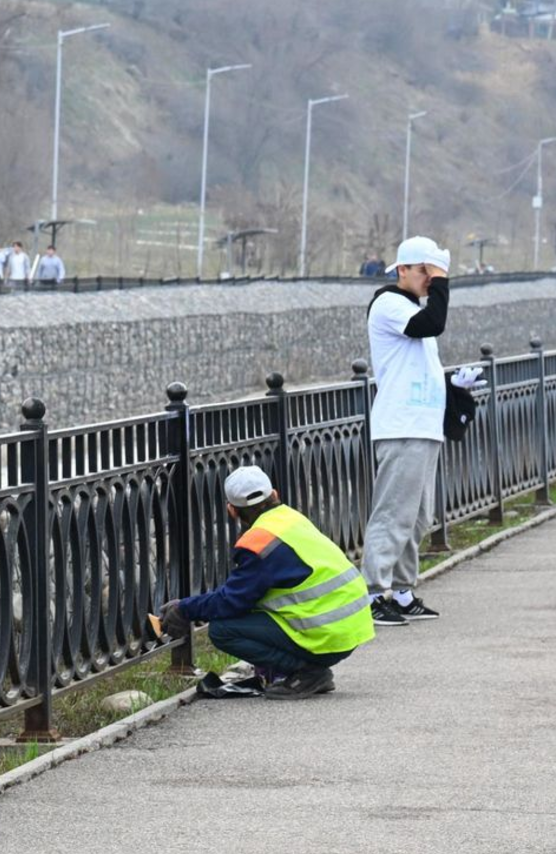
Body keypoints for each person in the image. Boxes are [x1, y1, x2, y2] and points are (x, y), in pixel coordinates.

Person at [160, 466, 375, 699]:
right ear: (275, 494)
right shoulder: (291, 518)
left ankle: (307, 673)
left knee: (222, 631)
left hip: (327, 636)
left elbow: (231, 601)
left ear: (232, 511)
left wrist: (184, 609)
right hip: (352, 628)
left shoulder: (260, 542)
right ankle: (306, 670)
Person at [363, 235, 474, 627]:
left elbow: (420, 368)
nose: (431, 280)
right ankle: (374, 593)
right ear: (403, 269)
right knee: (393, 512)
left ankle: (403, 590)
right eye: (425, 271)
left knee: (417, 516)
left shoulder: (411, 311)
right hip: (401, 425)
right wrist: (443, 281)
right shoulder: (389, 304)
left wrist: (455, 388)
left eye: (435, 273)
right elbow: (434, 323)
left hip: (422, 425)